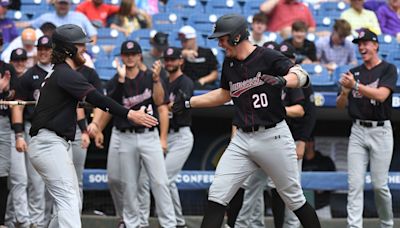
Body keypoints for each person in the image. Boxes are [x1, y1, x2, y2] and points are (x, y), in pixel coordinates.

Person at [172, 13, 321, 228]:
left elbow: (302, 76)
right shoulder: (230, 64)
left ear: (236, 36)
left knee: (294, 198)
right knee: (217, 194)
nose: (220, 43)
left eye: (223, 38)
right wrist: (189, 102)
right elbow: (224, 94)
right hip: (242, 138)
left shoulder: (267, 56)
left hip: (273, 135)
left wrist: (283, 80)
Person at [26, 24, 158, 228]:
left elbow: (88, 101)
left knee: (69, 200)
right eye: (80, 45)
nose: (85, 49)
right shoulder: (65, 73)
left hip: (51, 143)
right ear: (69, 49)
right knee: (69, 198)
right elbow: (96, 98)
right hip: (48, 143)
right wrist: (130, 113)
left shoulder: (60, 73)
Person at [90, 40, 176, 228]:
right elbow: (109, 107)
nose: (129, 57)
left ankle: (169, 224)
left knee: (160, 182)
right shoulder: (116, 80)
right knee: (128, 185)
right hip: (125, 135)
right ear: (122, 57)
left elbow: (161, 102)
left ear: (139, 56)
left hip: (148, 135)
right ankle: (132, 223)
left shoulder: (149, 76)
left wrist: (156, 80)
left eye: (133, 54)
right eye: (126, 54)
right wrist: (98, 126)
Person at [233, 43, 317, 228]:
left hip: (292, 139)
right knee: (254, 184)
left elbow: (308, 114)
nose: (286, 61)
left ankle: (291, 226)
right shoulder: (266, 79)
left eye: (289, 57)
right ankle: (250, 224)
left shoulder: (299, 81)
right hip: (264, 138)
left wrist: (303, 140)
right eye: (282, 56)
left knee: (291, 190)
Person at [336, 28, 397, 228]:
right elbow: (340, 105)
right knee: (355, 185)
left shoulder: (388, 68)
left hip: (381, 130)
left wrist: (355, 86)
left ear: (376, 45)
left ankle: (387, 224)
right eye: (359, 44)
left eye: (365, 43)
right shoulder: (354, 72)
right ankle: (354, 226)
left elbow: (381, 96)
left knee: (380, 186)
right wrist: (345, 92)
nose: (362, 47)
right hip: (358, 131)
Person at [137, 47, 194, 228]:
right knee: (147, 180)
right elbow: (158, 104)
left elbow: (175, 107)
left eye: (173, 59)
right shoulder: (161, 81)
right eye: (166, 59)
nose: (169, 62)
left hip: (180, 135)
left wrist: (161, 106)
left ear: (180, 61)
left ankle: (177, 222)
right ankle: (149, 222)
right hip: (162, 135)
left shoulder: (185, 82)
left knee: (166, 179)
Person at [17, 0, 98, 44]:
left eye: (65, 3)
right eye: (60, 3)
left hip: (76, 51)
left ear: (69, 4)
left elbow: (93, 34)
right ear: (55, 3)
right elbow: (28, 25)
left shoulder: (80, 16)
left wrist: (88, 47)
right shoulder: (46, 17)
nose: (62, 6)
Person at [0, 33, 18, 228]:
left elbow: (16, 95)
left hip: (3, 123)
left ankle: (2, 222)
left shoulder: (7, 69)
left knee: (2, 174)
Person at [302, 139, 336, 219]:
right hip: (301, 205)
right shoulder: (298, 161)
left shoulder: (325, 161)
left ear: (313, 143)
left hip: (322, 206)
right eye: (306, 142)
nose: (308, 144)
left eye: (310, 141)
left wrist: (323, 186)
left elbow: (334, 181)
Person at [178, 25, 219, 90]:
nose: (183, 43)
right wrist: (182, 55)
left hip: (204, 86)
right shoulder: (178, 53)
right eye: (181, 41)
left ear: (193, 39)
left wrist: (203, 80)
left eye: (185, 41)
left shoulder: (207, 52)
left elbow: (214, 74)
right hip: (185, 86)